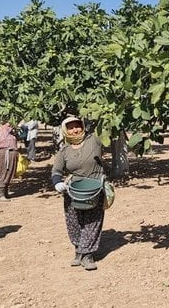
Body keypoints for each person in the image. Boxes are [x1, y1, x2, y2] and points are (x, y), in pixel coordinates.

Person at [50, 116, 106, 271]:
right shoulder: (64, 151)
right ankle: (78, 249)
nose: (75, 130)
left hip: (94, 189)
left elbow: (107, 128)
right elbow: (56, 170)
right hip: (73, 190)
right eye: (70, 128)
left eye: (77, 126)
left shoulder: (94, 141)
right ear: (65, 131)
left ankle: (87, 254)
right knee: (74, 222)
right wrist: (57, 182)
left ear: (83, 126)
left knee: (92, 221)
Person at [0, 121, 19, 202]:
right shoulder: (5, 128)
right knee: (5, 172)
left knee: (7, 172)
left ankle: (4, 192)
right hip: (6, 152)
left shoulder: (4, 129)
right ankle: (0, 194)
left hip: (7, 152)